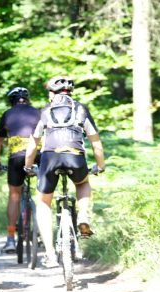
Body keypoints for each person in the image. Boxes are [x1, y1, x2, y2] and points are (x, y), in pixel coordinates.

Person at [24, 75, 105, 268]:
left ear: (52, 93)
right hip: (76, 157)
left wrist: (28, 166)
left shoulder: (45, 111)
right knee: (83, 182)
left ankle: (50, 254)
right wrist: (100, 165)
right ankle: (83, 215)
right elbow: (96, 144)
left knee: (43, 202)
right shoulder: (81, 109)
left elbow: (33, 144)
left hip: (50, 159)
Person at [0, 87, 41, 253]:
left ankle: (10, 238)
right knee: (44, 192)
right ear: (26, 99)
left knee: (15, 195)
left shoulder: (8, 114)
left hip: (16, 157)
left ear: (12, 101)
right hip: (38, 154)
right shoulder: (38, 112)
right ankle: (41, 231)